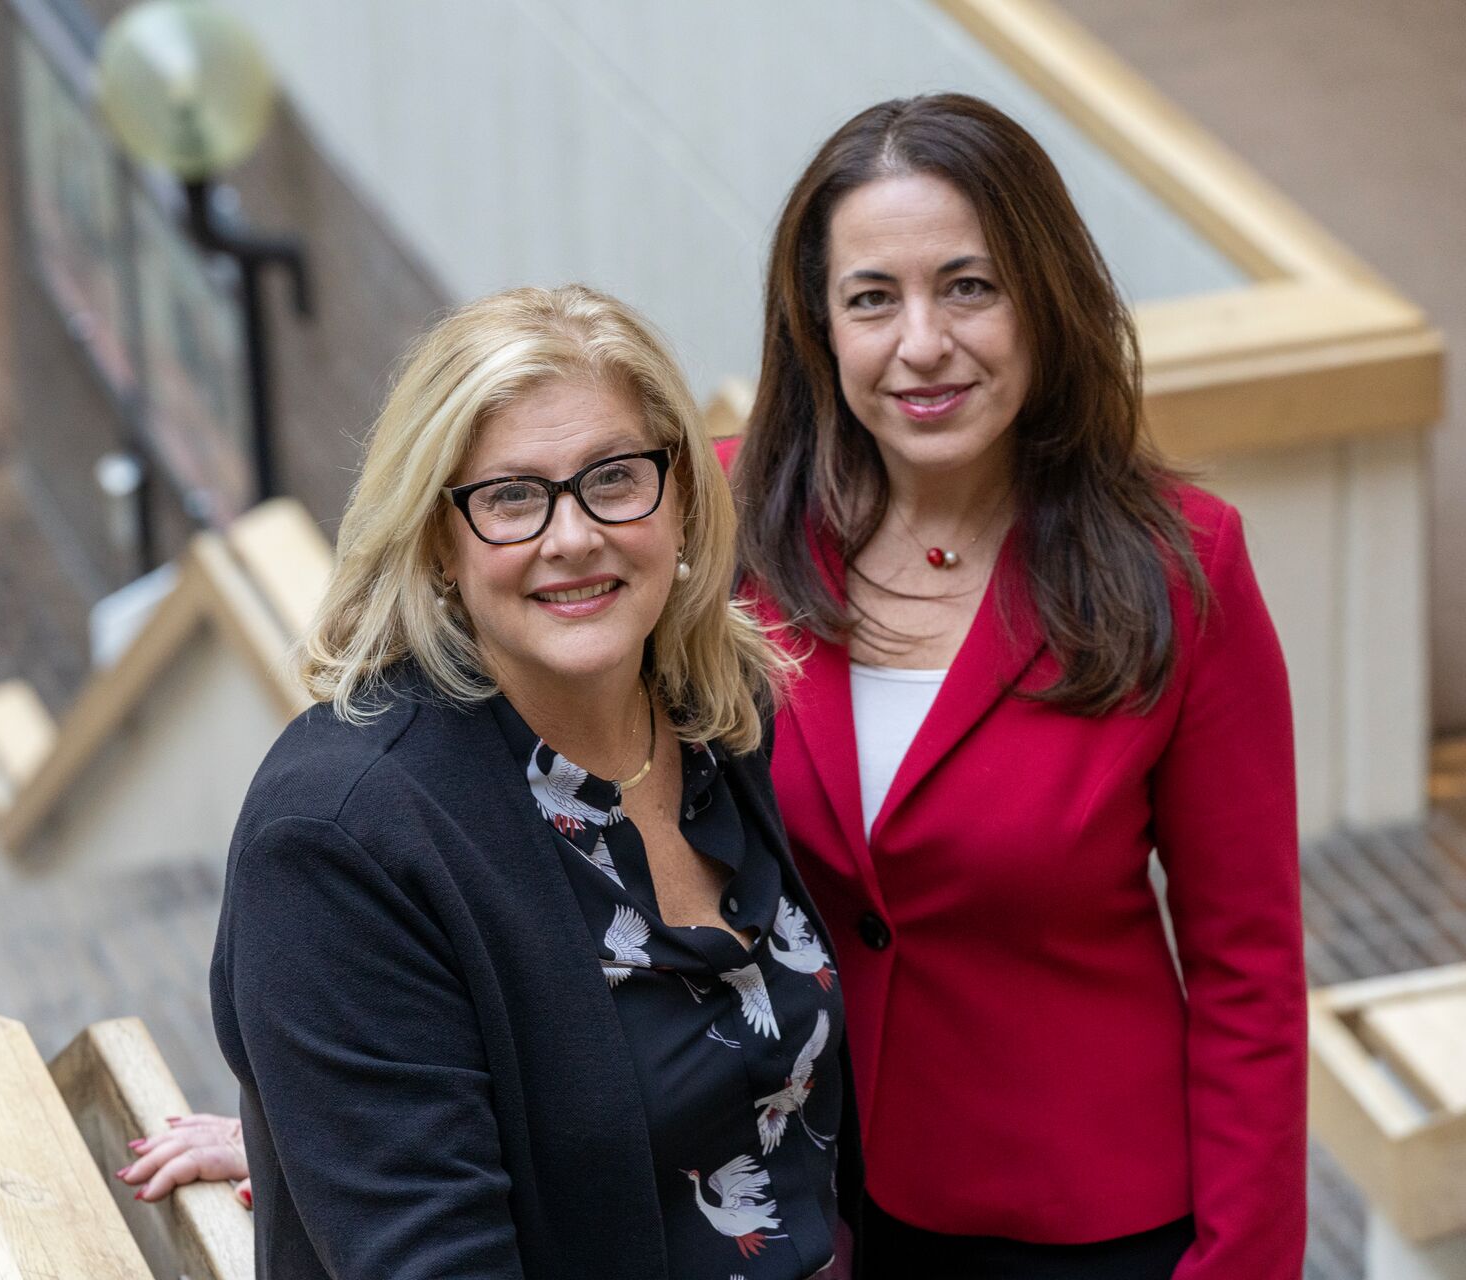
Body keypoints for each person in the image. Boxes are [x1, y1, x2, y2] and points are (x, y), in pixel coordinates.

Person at [123, 284, 862, 1279]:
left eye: (613, 476)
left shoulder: (718, 713)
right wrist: (326, 1127)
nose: (572, 535)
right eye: (512, 495)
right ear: (438, 540)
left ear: (679, 495)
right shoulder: (341, 834)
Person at [723, 93, 1304, 1278]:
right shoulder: (725, 534)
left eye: (969, 286)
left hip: (1090, 1226)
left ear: (1045, 299)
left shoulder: (1181, 567)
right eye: (872, 299)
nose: (921, 343)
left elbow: (1250, 972)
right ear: (820, 328)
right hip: (799, 1198)